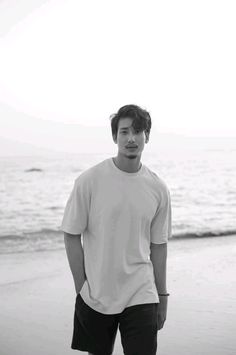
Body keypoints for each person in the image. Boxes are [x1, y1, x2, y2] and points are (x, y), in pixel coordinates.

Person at [61, 104, 172, 355]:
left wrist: (162, 296)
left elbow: (159, 246)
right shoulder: (90, 180)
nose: (131, 138)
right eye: (124, 132)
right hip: (97, 294)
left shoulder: (158, 188)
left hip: (142, 292)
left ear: (147, 136)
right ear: (114, 137)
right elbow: (70, 234)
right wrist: (82, 287)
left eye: (138, 131)